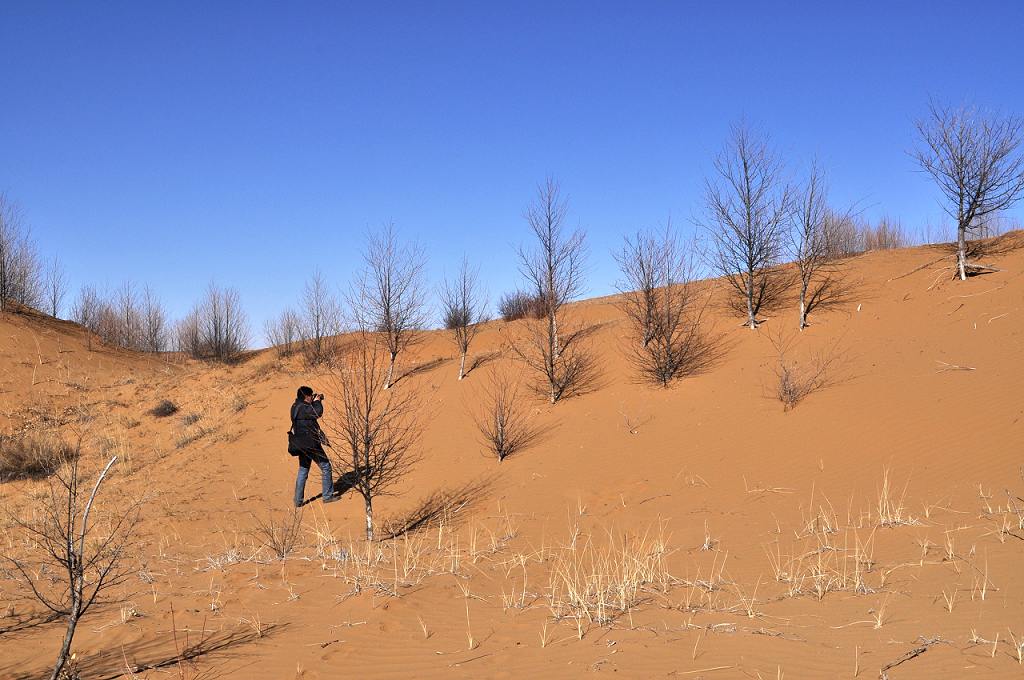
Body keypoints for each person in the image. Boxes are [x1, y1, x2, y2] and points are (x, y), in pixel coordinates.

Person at [291, 385, 339, 507]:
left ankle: (298, 501)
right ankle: (327, 496)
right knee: (326, 467)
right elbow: (318, 413)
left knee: (303, 470)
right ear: (306, 397)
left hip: (300, 443)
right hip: (311, 443)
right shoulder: (304, 408)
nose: (312, 397)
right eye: (310, 396)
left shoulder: (295, 406)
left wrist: (315, 401)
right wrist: (317, 402)